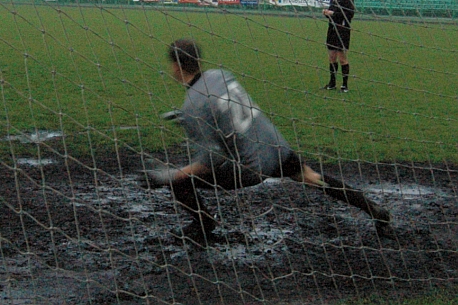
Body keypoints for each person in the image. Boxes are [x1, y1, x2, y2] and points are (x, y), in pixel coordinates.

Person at [142, 39, 391, 245]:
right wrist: (188, 116)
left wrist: (169, 175)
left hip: (252, 167)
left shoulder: (193, 105)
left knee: (179, 181)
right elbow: (224, 107)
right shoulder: (220, 74)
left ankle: (204, 226)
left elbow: (212, 158)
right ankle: (373, 209)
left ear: (176, 66)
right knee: (312, 177)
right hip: (275, 145)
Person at [323, 0, 355, 93]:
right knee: (332, 57)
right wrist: (327, 13)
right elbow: (332, 12)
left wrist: (333, 13)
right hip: (332, 29)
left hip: (342, 30)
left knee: (342, 58)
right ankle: (332, 83)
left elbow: (350, 13)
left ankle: (344, 85)